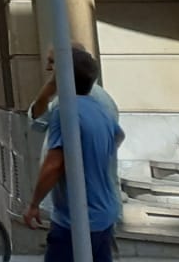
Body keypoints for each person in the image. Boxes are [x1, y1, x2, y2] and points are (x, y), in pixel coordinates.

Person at [24, 46, 123, 262]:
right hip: (103, 214)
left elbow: (54, 166)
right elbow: (118, 137)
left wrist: (33, 205)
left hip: (77, 218)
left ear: (63, 75)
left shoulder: (66, 109)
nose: (48, 68)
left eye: (53, 64)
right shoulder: (100, 108)